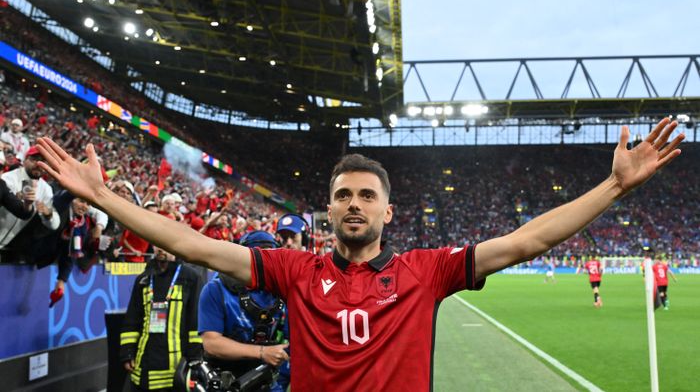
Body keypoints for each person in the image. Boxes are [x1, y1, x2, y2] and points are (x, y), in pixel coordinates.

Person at [36, 117, 684, 391]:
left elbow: (528, 240)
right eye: (342, 194)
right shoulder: (293, 270)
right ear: (330, 208)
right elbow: (188, 242)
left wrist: (615, 187)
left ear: (386, 211)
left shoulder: (424, 273)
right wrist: (104, 198)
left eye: (366, 195)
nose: (353, 203)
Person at [198, 230, 290, 391]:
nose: (266, 263)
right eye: (260, 257)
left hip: (269, 382)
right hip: (227, 380)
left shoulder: (282, 290)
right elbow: (211, 343)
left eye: (271, 257)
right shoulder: (216, 289)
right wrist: (262, 352)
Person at [120, 247, 204, 391]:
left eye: (165, 244)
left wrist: (195, 358)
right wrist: (127, 352)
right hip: (142, 370)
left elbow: (195, 321)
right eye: (157, 244)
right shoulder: (143, 279)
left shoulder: (192, 278)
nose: (161, 249)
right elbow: (133, 319)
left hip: (176, 372)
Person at [0, 146, 60, 262]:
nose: (39, 164)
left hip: (12, 248)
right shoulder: (8, 178)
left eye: (44, 162)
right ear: (25, 159)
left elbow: (54, 224)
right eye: (34, 159)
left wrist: (48, 214)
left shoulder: (46, 189)